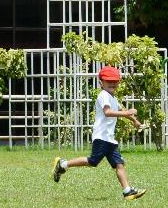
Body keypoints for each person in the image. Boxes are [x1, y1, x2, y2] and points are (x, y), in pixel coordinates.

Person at [52, 65, 147, 200]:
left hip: (110, 139)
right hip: (102, 137)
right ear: (101, 83)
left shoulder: (113, 98)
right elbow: (107, 112)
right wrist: (127, 113)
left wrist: (134, 121)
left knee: (119, 163)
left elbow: (120, 110)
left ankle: (127, 191)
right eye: (109, 81)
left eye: (115, 81)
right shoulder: (103, 96)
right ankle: (63, 164)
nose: (112, 84)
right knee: (93, 161)